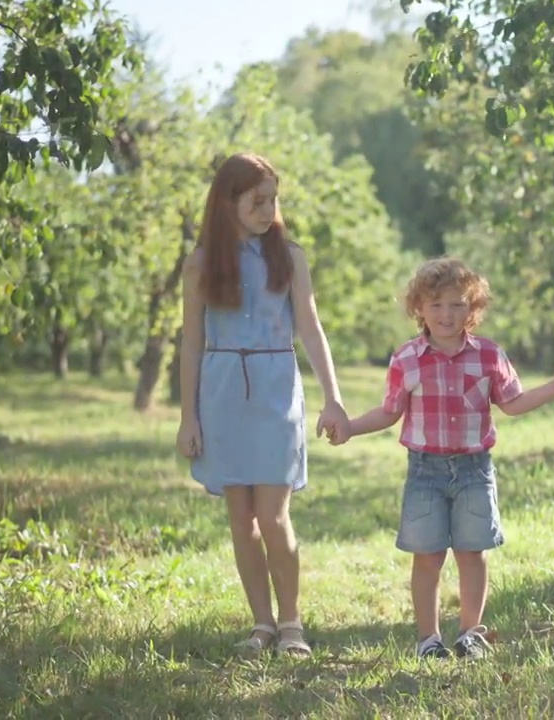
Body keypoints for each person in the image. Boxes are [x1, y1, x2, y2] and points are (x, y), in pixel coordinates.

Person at [331, 258, 554, 660]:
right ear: (418, 308)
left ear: (473, 308)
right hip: (425, 472)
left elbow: (514, 402)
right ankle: (428, 639)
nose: (446, 314)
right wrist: (349, 427)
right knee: (429, 555)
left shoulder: (489, 355)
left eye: (457, 305)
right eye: (435, 305)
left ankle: (471, 633)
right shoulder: (407, 359)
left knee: (473, 552)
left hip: (474, 469)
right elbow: (390, 412)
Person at [175, 152, 349, 656]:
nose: (268, 209)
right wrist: (190, 415)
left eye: (273, 199)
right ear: (227, 202)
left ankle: (291, 622)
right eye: (257, 200)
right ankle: (262, 623)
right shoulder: (201, 263)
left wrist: (332, 398)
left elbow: (311, 329)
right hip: (222, 388)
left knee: (273, 514)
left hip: (275, 387)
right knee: (241, 516)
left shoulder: (289, 256)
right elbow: (190, 342)